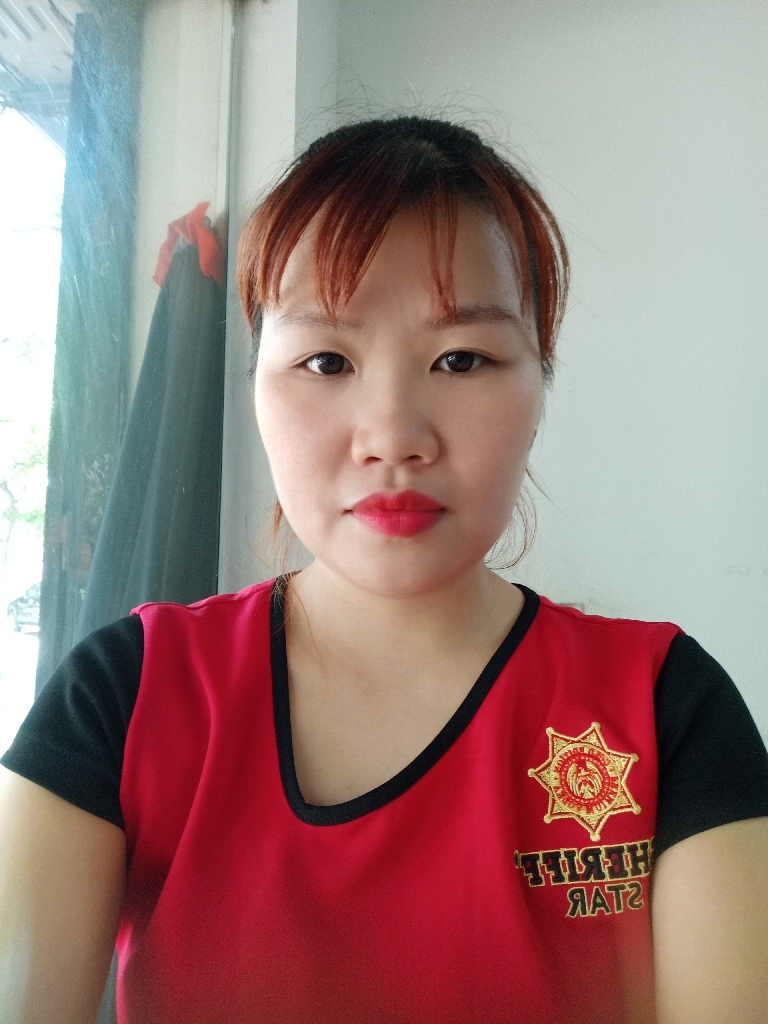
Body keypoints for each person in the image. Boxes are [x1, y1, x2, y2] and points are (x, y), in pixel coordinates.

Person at [1, 115, 767, 1024]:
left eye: (462, 359)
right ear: (258, 391)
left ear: (540, 387)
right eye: (326, 360)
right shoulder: (125, 697)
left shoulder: (666, 705)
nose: (394, 436)